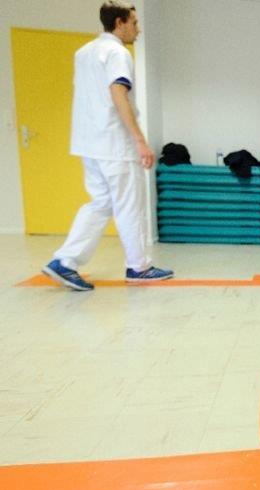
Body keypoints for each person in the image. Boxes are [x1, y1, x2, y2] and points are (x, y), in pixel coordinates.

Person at [42, 1, 173, 291]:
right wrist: (140, 141)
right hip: (115, 144)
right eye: (134, 23)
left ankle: (64, 261)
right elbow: (118, 94)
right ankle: (139, 267)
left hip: (89, 143)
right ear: (119, 23)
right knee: (129, 205)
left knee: (101, 203)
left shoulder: (84, 52)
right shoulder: (117, 53)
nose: (138, 29)